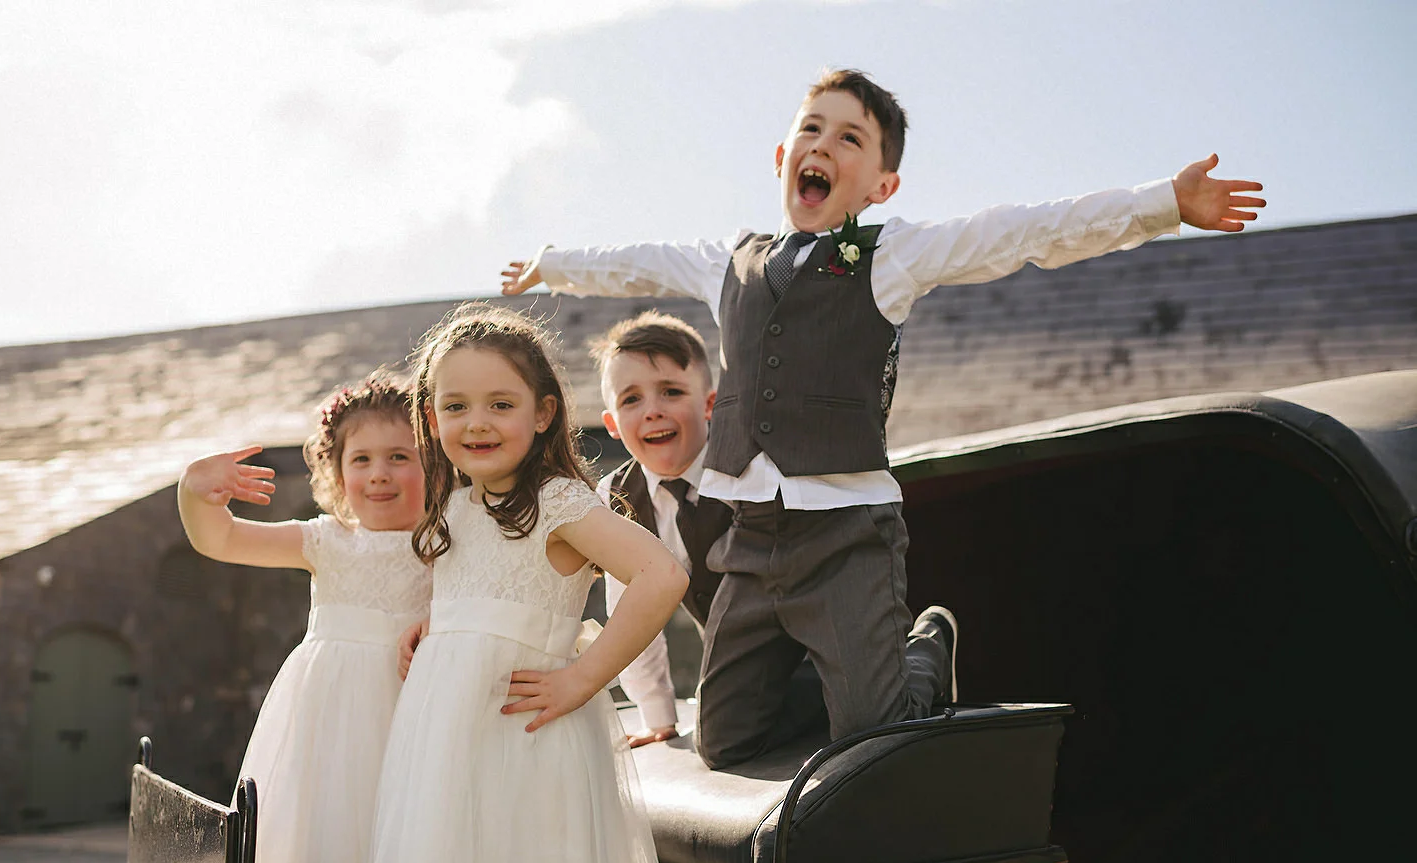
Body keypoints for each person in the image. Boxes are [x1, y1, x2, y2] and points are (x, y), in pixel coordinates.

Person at [501, 67, 1263, 768]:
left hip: (843, 534)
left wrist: (1164, 202)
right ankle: (846, 686)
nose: (822, 146)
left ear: (882, 184)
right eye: (811, 128)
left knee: (876, 733)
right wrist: (551, 262)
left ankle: (922, 647)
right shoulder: (726, 261)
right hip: (753, 542)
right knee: (725, 743)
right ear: (780, 157)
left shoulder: (891, 256)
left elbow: (1028, 232)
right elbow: (634, 262)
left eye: (849, 138)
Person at [353, 304, 685, 863]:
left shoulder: (558, 500)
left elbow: (662, 575)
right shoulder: (455, 507)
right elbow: (477, 598)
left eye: (499, 403)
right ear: (430, 417)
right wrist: (432, 626)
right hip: (446, 750)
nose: (476, 421)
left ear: (542, 414)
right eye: (455, 405)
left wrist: (585, 678)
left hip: (527, 741)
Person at [177, 370, 432, 863]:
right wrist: (194, 493)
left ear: (435, 462)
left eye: (400, 457)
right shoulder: (326, 540)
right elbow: (223, 539)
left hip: (415, 712)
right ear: (336, 472)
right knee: (324, 853)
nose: (379, 473)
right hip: (329, 720)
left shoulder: (448, 542)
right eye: (361, 459)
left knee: (399, 856)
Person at [589, 309, 953, 751]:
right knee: (720, 739)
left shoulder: (755, 463)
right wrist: (659, 715)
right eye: (631, 400)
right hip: (745, 665)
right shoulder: (618, 498)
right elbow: (630, 615)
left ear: (709, 404)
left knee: (865, 724)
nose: (652, 411)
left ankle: (922, 651)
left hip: (816, 635)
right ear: (611, 423)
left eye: (671, 391)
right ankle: (839, 697)